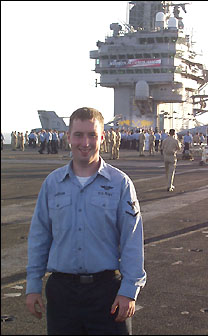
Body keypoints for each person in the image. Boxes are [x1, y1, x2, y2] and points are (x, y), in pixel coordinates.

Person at [26, 107, 146, 335]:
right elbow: (39, 237)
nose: (85, 142)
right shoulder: (53, 184)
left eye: (92, 135)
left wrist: (129, 290)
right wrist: (33, 286)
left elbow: (132, 241)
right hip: (62, 294)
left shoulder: (120, 184)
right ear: (68, 136)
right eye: (79, 135)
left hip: (107, 294)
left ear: (102, 137)